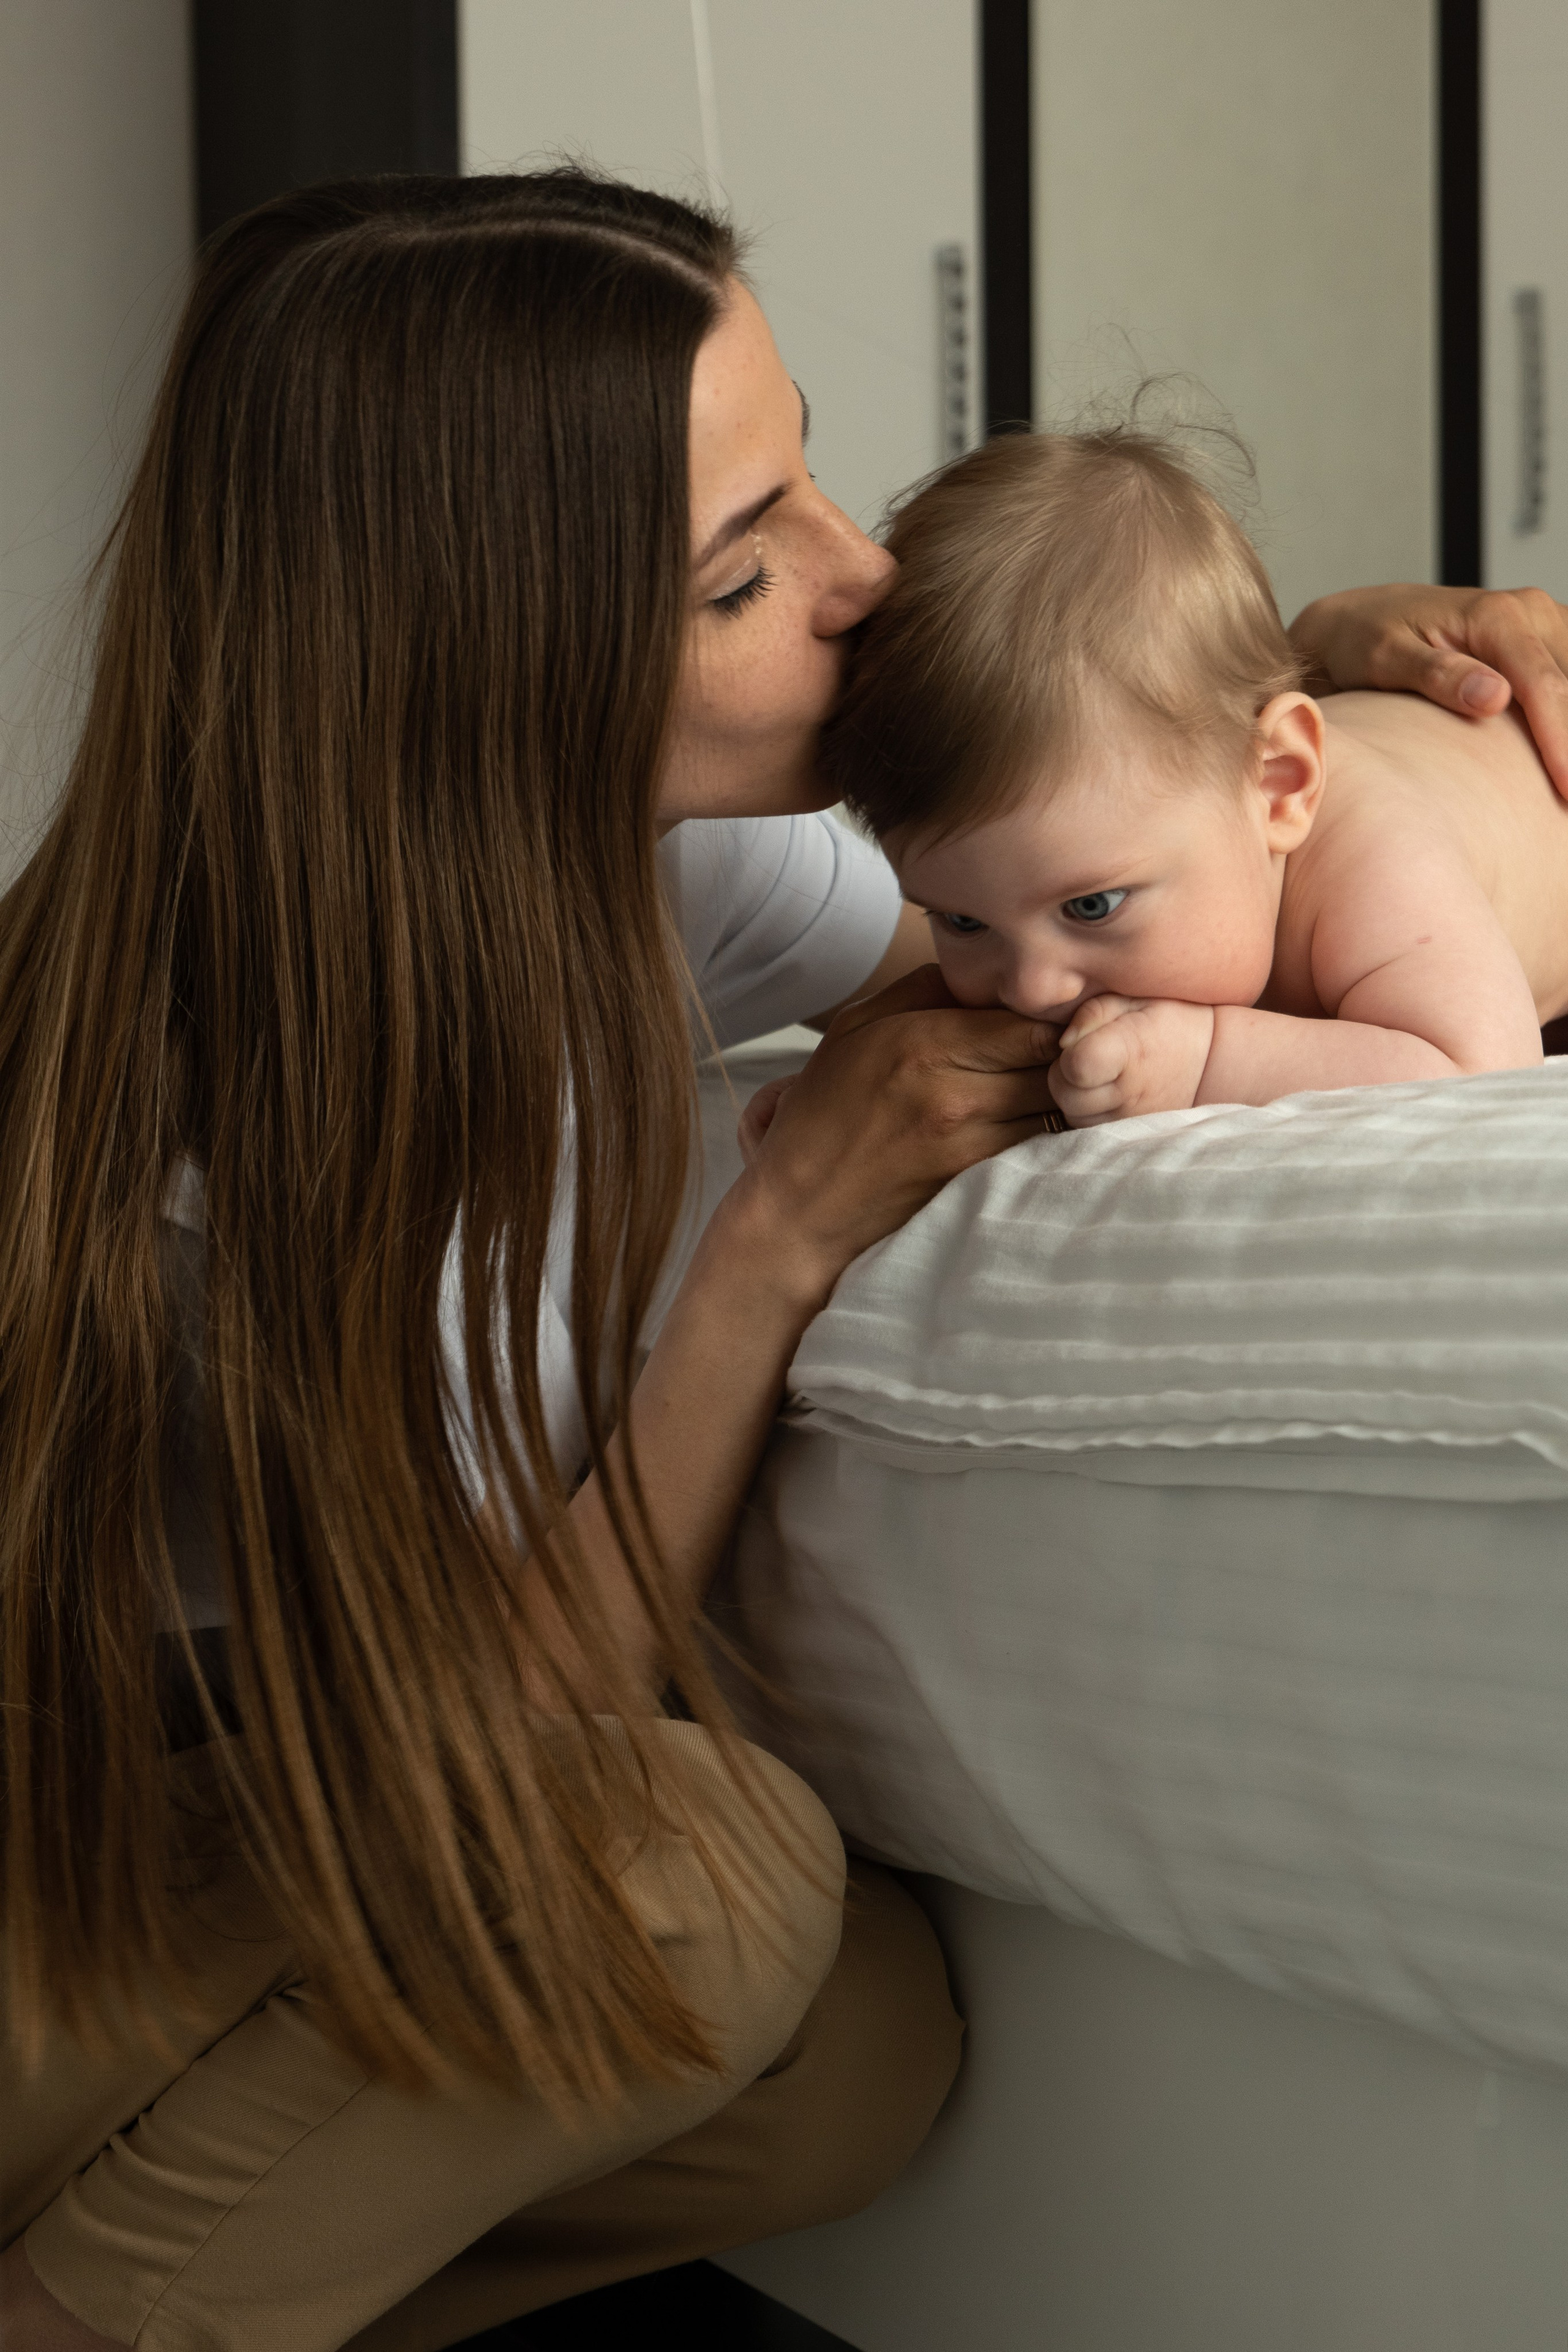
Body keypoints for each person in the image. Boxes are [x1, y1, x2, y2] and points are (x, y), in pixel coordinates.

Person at [4, 172, 1568, 2352]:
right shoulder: (275, 1081)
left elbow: (1067, 871)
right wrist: (780, 1232)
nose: (863, 575)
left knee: (852, 2063)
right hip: (94, 1825)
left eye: (808, 467)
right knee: (704, 1876)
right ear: (511, 662)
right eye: (749, 565)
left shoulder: (642, 861)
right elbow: (512, 1725)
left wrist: (1293, 676)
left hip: (280, 1803)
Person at [823, 426, 1568, 1126]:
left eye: (1091, 907)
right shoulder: (1151, 839)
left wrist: (1208, 1059)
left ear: (1280, 786)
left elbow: (1478, 1068)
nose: (1030, 990)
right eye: (961, 921)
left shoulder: (1374, 862)